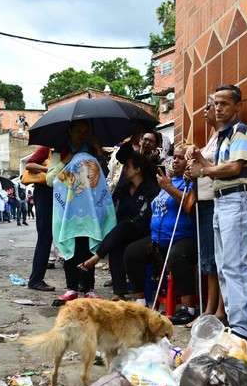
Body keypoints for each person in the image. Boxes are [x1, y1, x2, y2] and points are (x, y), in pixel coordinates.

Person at [187, 84, 247, 341]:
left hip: (236, 200)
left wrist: (204, 170)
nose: (218, 108)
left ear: (237, 107)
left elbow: (234, 168)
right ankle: (234, 323)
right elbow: (214, 168)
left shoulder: (240, 131)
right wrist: (200, 163)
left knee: (234, 265)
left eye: (224, 104)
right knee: (225, 266)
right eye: (215, 103)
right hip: (222, 202)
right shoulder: (222, 137)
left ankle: (243, 328)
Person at [124, 145, 197, 323]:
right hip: (158, 238)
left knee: (177, 257)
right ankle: (141, 302)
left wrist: (168, 187)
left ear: (189, 163)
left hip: (182, 237)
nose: (176, 160)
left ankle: (188, 308)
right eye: (175, 157)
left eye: (181, 157)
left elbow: (188, 205)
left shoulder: (190, 182)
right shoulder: (167, 180)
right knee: (132, 253)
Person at [78, 152, 159, 298]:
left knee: (125, 226)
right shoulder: (123, 189)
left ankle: (96, 257)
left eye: (127, 167)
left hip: (144, 232)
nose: (124, 170)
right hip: (122, 234)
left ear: (138, 169)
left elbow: (145, 217)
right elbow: (111, 209)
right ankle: (119, 292)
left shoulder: (150, 189)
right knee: (116, 244)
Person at [52, 119, 116, 301]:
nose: (81, 134)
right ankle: (71, 287)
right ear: (70, 132)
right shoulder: (62, 151)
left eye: (85, 131)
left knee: (89, 248)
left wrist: (98, 152)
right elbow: (54, 180)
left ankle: (88, 287)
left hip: (91, 212)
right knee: (71, 247)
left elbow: (103, 177)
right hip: (70, 211)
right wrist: (68, 164)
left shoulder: (93, 151)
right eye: (78, 131)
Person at [186, 95, 225, 325]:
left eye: (207, 107)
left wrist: (199, 160)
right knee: (208, 258)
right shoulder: (211, 137)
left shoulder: (223, 137)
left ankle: (219, 309)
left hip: (215, 200)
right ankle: (210, 307)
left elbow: (215, 166)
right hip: (203, 200)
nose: (204, 112)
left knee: (217, 257)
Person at [25, 145, 55, 291]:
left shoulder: (68, 149)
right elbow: (29, 164)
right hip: (44, 195)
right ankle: (36, 280)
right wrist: (47, 169)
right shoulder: (47, 148)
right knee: (45, 237)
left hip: (58, 196)